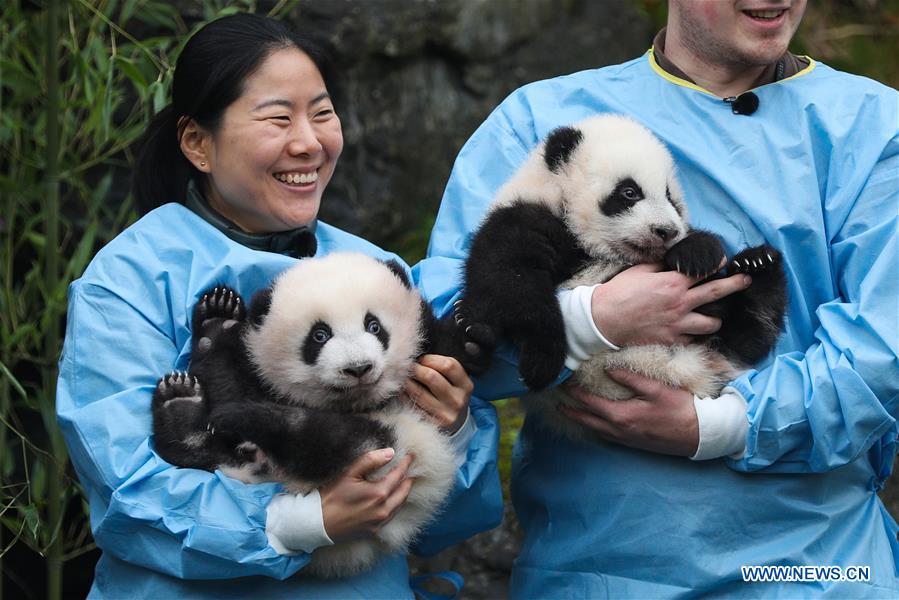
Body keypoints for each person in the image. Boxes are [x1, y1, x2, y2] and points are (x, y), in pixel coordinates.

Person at [414, 0, 899, 596]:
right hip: (602, 568)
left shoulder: (874, 128)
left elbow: (885, 347)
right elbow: (438, 342)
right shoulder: (540, 118)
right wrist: (593, 320)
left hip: (818, 570)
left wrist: (719, 425)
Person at [55, 13, 501, 599]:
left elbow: (443, 522)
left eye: (322, 113)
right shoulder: (130, 280)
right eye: (278, 118)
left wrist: (453, 425)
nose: (309, 142)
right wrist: (303, 522)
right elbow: (126, 491)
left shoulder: (374, 266)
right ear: (198, 143)